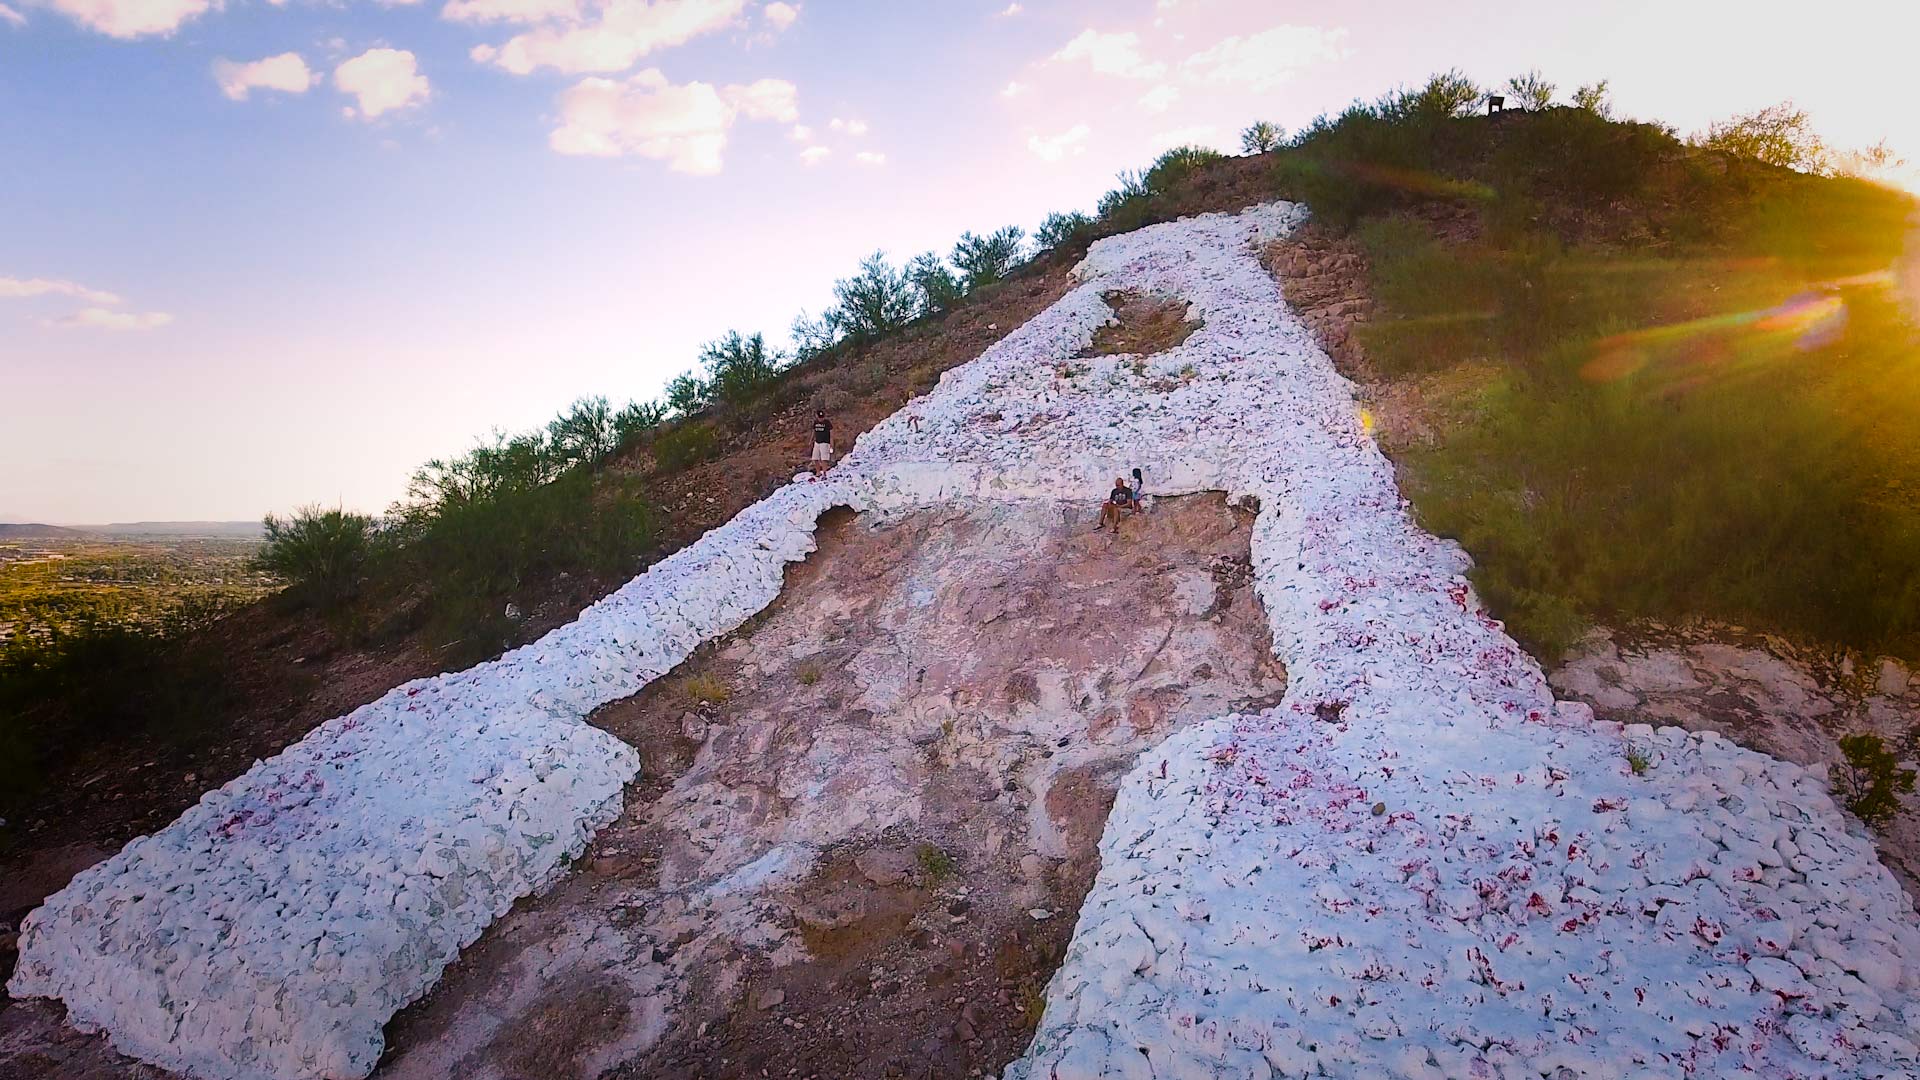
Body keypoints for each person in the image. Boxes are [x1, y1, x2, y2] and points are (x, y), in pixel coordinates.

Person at [809, 409, 833, 474]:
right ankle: (818, 472)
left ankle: (824, 473)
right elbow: (814, 432)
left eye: (822, 417)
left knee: (824, 459)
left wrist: (831, 443)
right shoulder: (815, 422)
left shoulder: (827, 423)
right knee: (815, 458)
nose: (820, 419)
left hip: (825, 442)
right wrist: (811, 440)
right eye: (819, 417)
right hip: (817, 442)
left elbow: (831, 433)